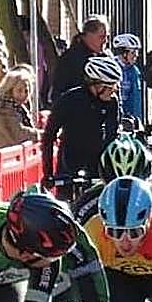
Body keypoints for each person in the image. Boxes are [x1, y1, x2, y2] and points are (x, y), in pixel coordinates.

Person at [43, 56, 122, 199]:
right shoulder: (69, 100)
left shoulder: (112, 103)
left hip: (97, 166)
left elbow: (112, 136)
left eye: (115, 87)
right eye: (110, 87)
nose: (113, 92)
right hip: (70, 162)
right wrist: (48, 173)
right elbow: (49, 136)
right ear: (95, 84)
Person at [51, 15, 110, 104]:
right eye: (102, 37)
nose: (105, 41)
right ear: (88, 35)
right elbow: (60, 91)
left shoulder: (106, 58)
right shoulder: (70, 59)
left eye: (107, 37)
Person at [0, 65, 40, 151]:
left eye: (26, 91)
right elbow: (18, 135)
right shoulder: (2, 107)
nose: (23, 94)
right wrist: (43, 134)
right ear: (9, 89)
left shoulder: (17, 107)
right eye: (19, 90)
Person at [112, 33, 145, 123]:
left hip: (127, 116)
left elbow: (135, 98)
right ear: (124, 53)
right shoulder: (112, 67)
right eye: (133, 52)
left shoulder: (134, 71)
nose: (136, 56)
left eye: (137, 52)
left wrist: (137, 120)